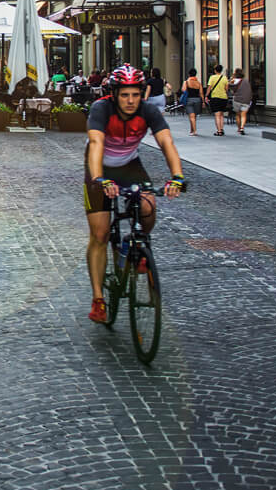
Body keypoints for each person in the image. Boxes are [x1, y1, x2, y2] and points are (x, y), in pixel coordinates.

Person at [84, 65, 187, 325]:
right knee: (100, 234)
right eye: (124, 95)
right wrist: (99, 179)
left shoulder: (148, 111)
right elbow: (96, 143)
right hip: (99, 168)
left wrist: (177, 176)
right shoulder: (101, 109)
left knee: (149, 207)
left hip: (130, 165)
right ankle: (98, 299)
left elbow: (167, 142)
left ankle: (133, 247)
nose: (130, 101)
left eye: (135, 95)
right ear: (114, 94)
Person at [205, 63, 232, 136]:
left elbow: (209, 88)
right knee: (221, 114)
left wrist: (206, 96)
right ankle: (222, 129)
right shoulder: (225, 78)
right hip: (223, 98)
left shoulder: (212, 77)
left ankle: (219, 130)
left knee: (217, 115)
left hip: (215, 97)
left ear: (215, 70)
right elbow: (226, 89)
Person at [180, 68, 205, 134]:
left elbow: (183, 90)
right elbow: (201, 93)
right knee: (194, 116)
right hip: (197, 100)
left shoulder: (186, 82)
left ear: (189, 74)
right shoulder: (198, 83)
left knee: (191, 116)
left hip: (189, 100)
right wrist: (203, 102)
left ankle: (194, 131)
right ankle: (192, 130)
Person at [231, 67, 256, 134]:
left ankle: (239, 128)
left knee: (238, 114)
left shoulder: (234, 80)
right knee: (243, 114)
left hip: (237, 100)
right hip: (246, 100)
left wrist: (231, 79)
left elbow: (229, 86)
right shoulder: (246, 81)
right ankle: (242, 127)